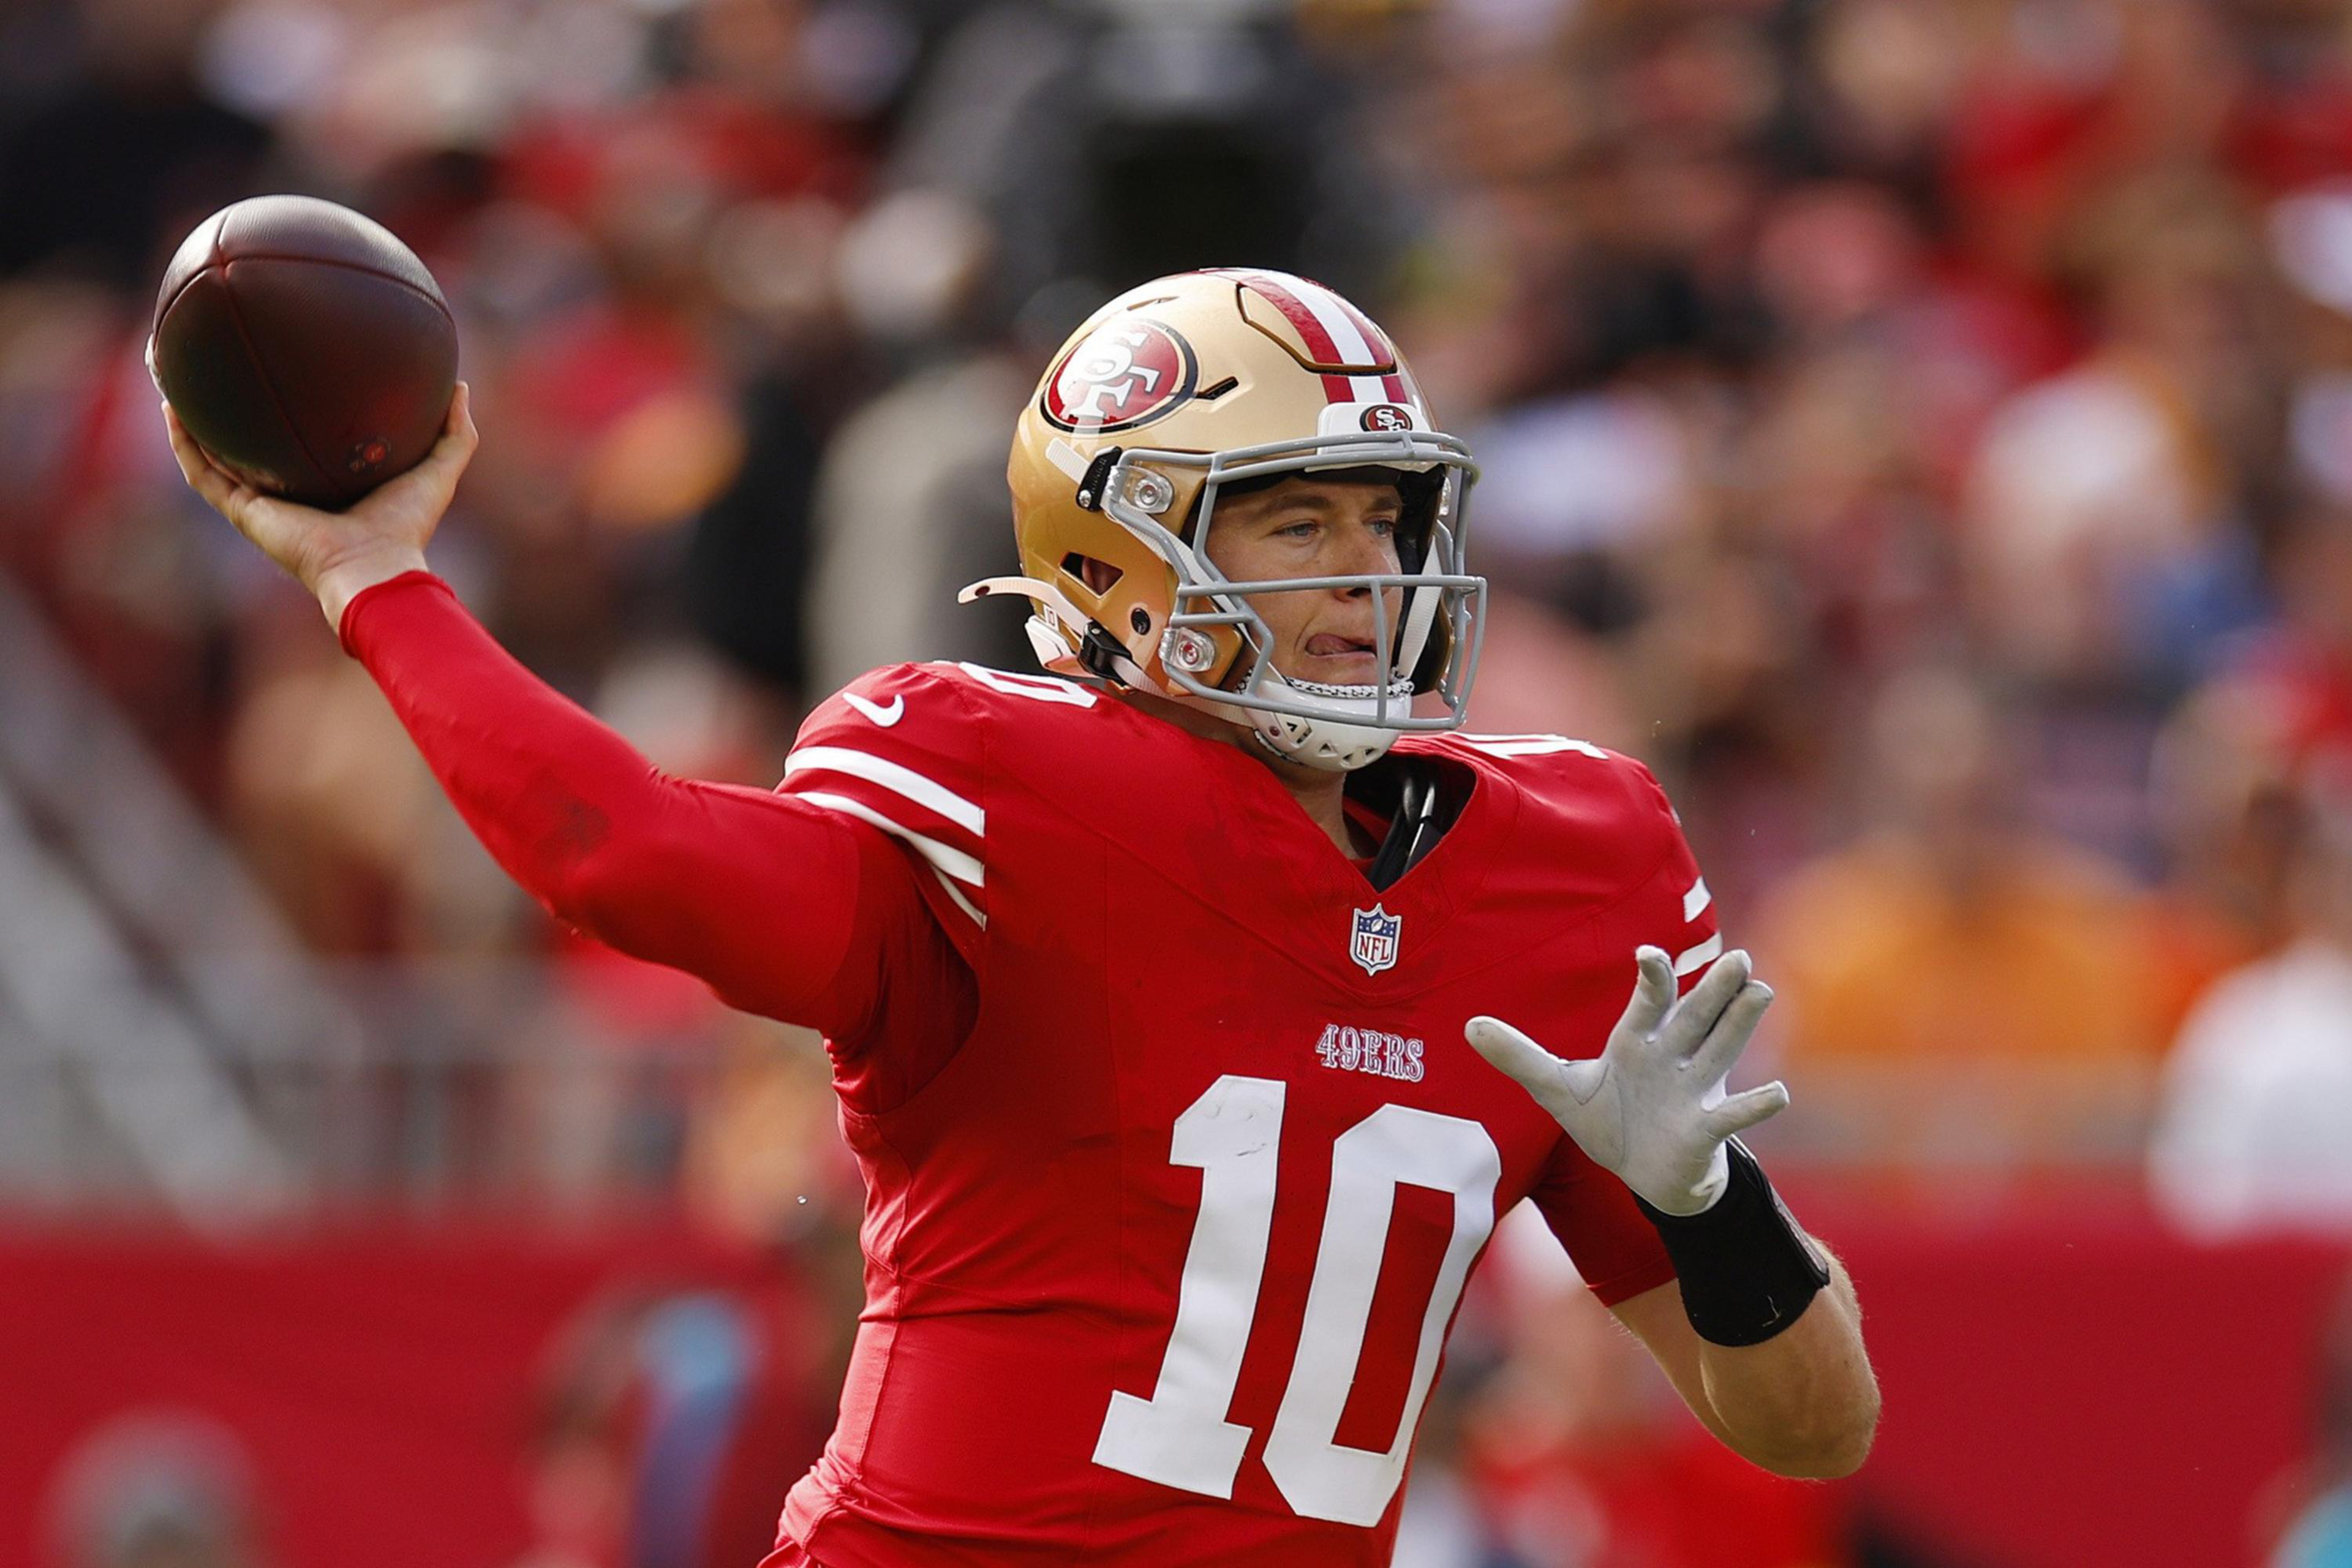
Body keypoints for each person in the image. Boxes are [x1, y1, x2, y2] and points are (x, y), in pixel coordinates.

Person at [164, 268, 1877, 1567]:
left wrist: (1714, 1211)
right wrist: (378, 581)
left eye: (1389, 516)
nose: (1367, 578)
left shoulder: (1569, 857)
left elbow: (1815, 1432)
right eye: (1294, 517)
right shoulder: (1002, 782)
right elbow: (631, 858)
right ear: (1116, 554)